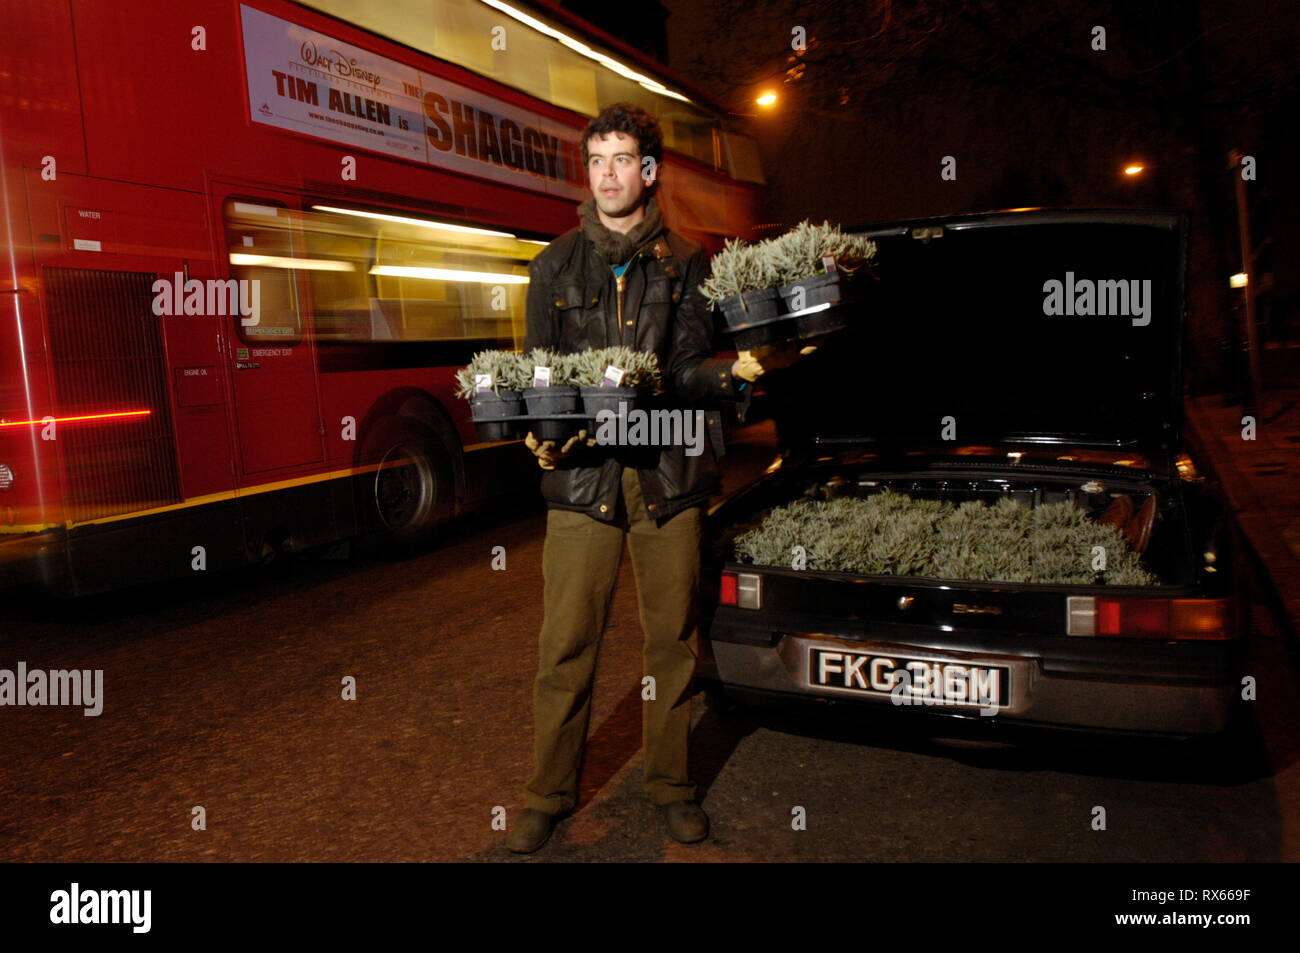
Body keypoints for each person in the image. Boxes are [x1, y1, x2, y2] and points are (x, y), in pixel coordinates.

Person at [506, 103, 792, 853]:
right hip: (584, 480)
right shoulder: (554, 264)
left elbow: (690, 366)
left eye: (622, 159)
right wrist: (540, 432)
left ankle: (670, 786)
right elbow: (541, 372)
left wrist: (733, 375)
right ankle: (547, 794)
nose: (607, 174)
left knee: (671, 643)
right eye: (596, 160)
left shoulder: (688, 262)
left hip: (668, 472)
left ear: (649, 171)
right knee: (566, 643)